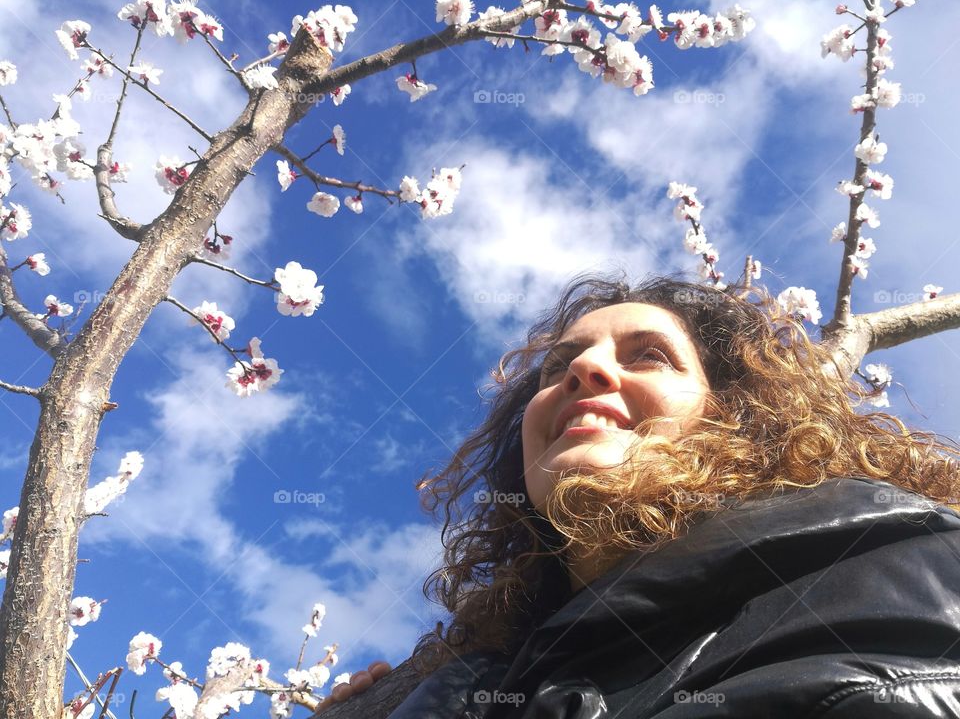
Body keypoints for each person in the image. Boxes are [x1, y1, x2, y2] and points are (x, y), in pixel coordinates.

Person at [378, 272, 960, 718]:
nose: (583, 368)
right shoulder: (484, 679)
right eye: (558, 366)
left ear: (733, 413)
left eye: (649, 356)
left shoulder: (883, 556)